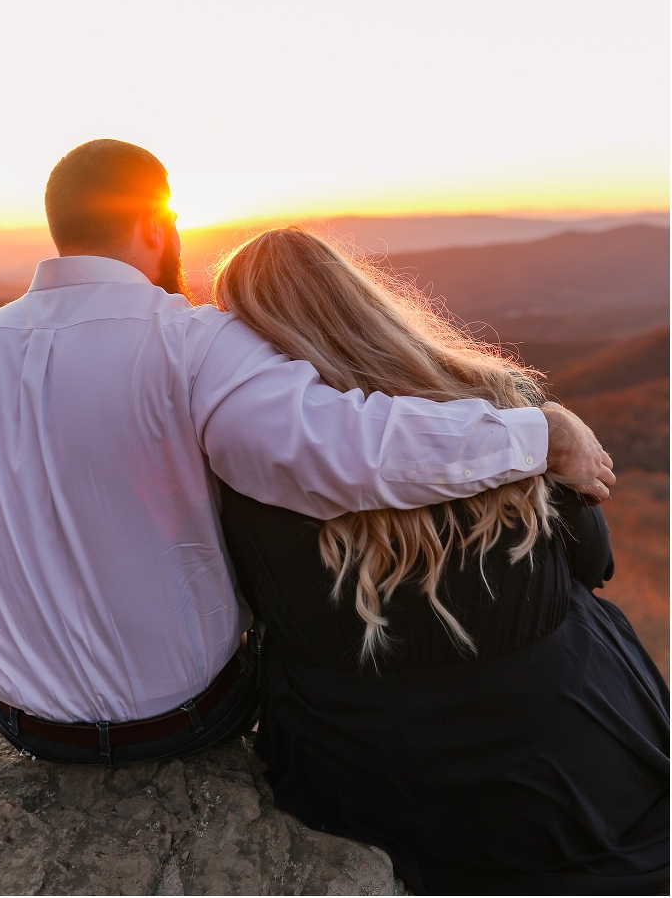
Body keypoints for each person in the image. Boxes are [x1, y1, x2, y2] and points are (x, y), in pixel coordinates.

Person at [0, 139, 613, 768]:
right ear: (157, 224)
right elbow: (345, 450)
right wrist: (539, 435)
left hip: (23, 723)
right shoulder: (190, 342)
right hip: (181, 719)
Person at [215, 227, 669, 897]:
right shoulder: (496, 401)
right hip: (566, 769)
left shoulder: (238, 470)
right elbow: (593, 560)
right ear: (361, 300)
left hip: (365, 779)